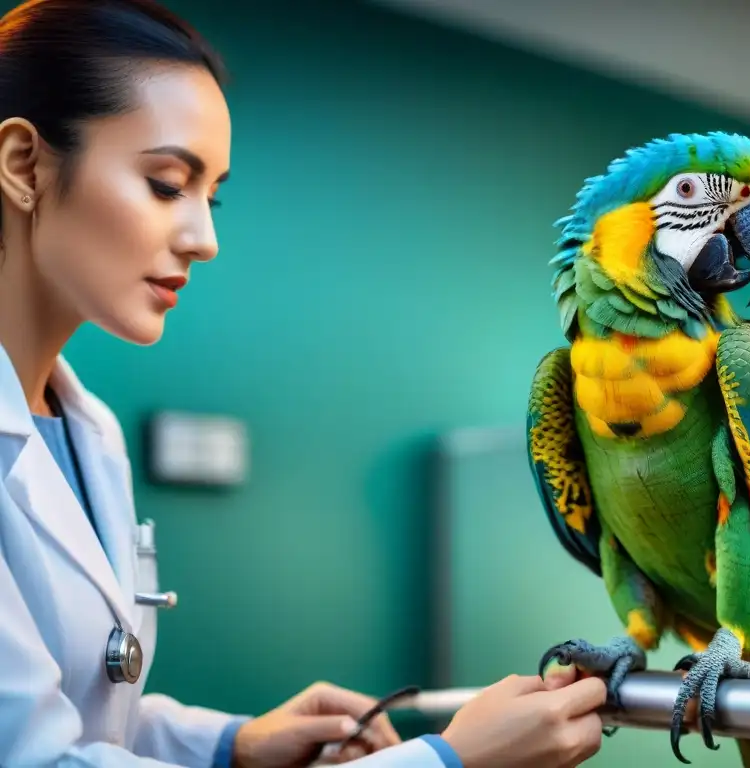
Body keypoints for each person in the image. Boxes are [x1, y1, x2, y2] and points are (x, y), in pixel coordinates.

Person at [0, 0, 611, 766]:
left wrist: (233, 745)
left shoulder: (86, 429)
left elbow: (89, 714)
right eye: (165, 184)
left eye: (210, 196)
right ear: (24, 165)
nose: (204, 239)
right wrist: (449, 761)